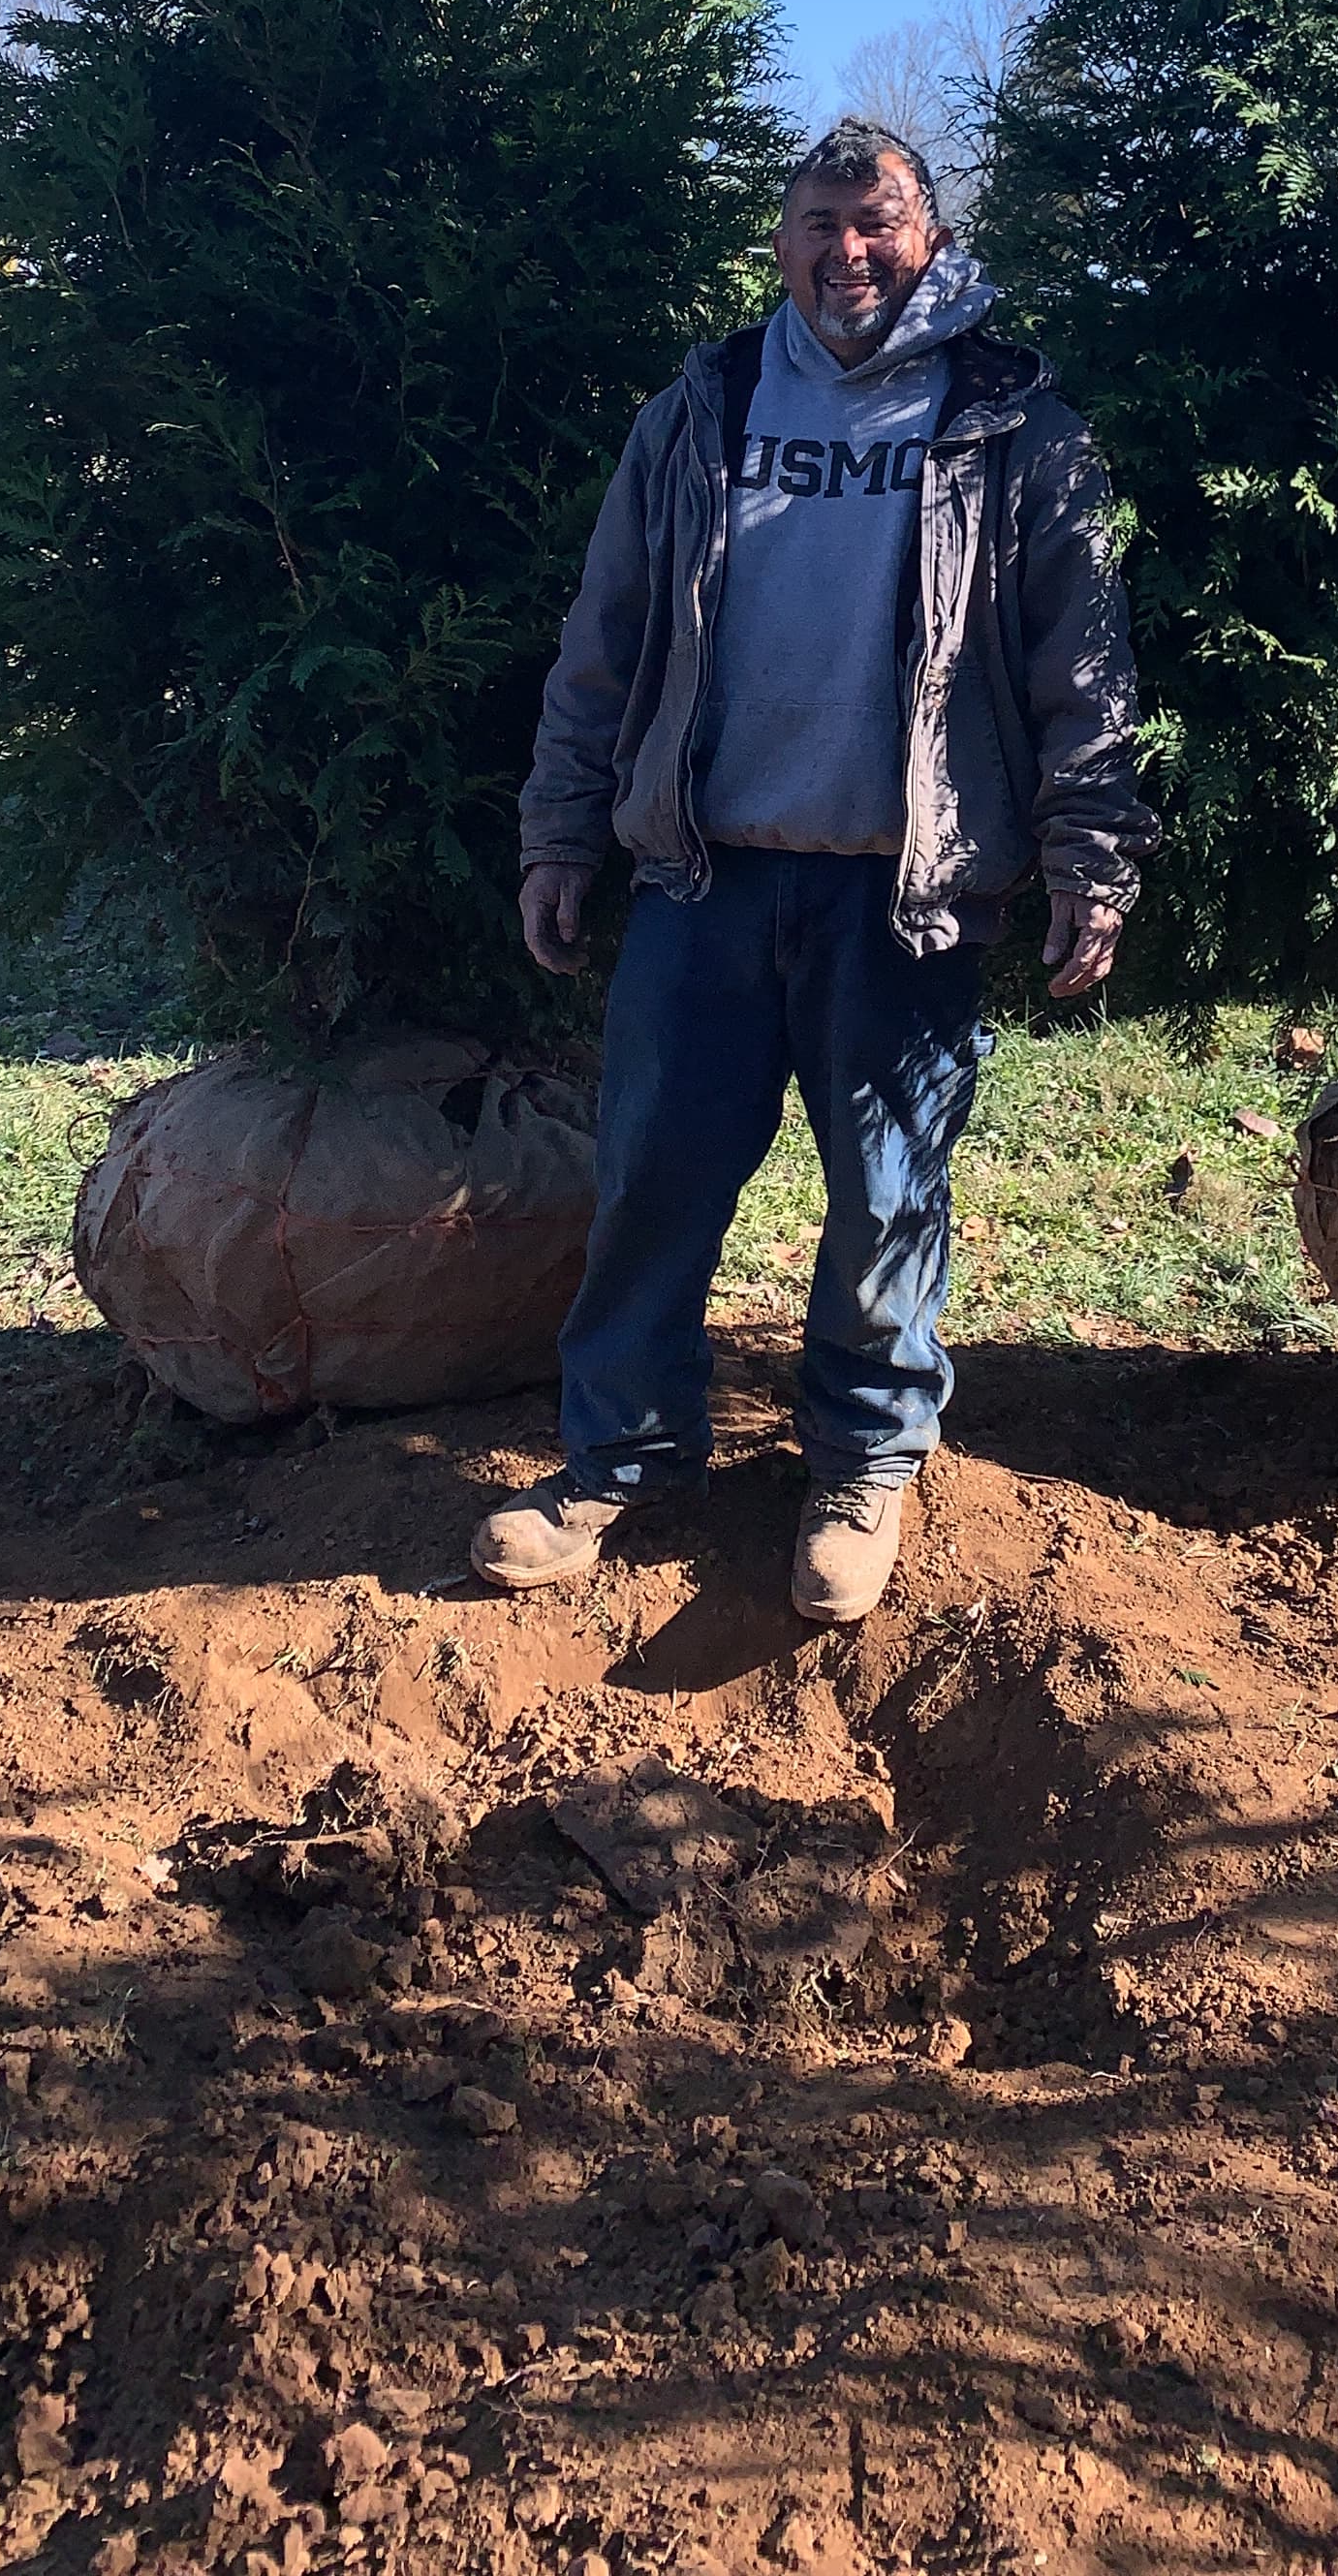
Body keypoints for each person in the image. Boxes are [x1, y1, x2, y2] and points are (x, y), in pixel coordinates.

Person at [469, 118, 1157, 1623]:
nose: (850, 249)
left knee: (885, 1194)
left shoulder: (1012, 423)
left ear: (931, 236)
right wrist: (560, 828)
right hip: (703, 882)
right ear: (780, 243)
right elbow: (604, 640)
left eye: (880, 221)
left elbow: (1082, 668)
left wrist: (1091, 855)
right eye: (820, 222)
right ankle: (623, 1459)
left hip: (898, 896)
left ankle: (862, 1463)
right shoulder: (703, 409)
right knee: (652, 1183)